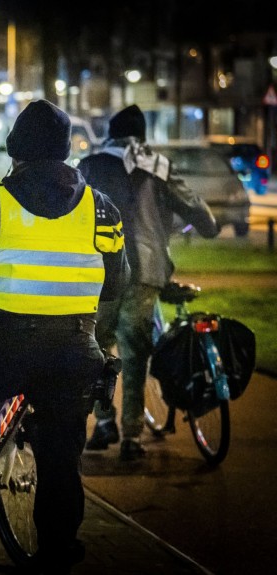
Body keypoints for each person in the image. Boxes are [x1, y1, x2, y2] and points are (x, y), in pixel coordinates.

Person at [0, 100, 126, 573]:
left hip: (5, 348)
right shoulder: (101, 209)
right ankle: (56, 554)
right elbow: (117, 283)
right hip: (75, 351)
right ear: (65, 151)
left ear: (16, 150)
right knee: (61, 459)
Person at [79, 104, 218, 460]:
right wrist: (207, 227)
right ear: (142, 135)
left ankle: (104, 422)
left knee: (97, 345)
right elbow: (196, 211)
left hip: (103, 271)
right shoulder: (159, 167)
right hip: (147, 271)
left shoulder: (92, 165)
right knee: (135, 349)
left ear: (111, 132)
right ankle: (133, 436)